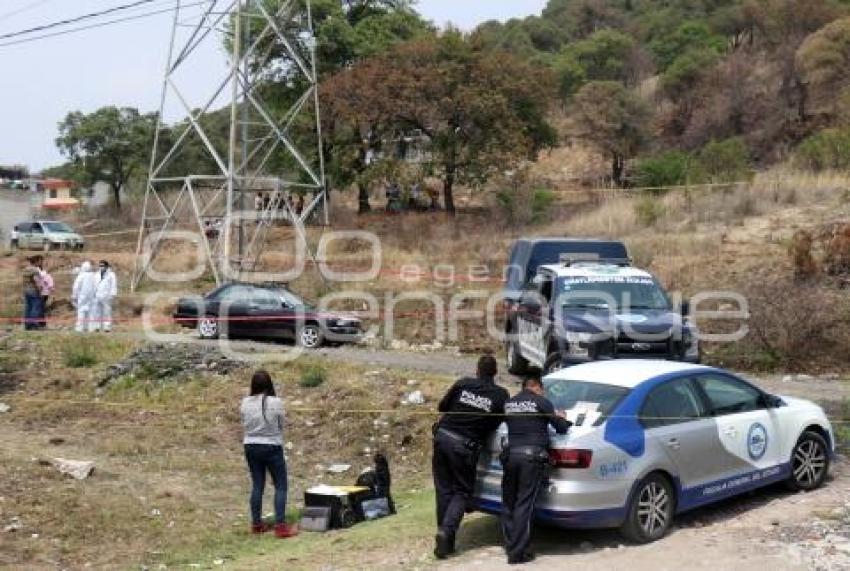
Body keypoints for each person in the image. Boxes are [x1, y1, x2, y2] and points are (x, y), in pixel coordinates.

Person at [432, 353, 509, 559]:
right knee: (462, 492)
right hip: (464, 447)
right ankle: (446, 532)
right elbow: (498, 423)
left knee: (443, 490)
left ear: (477, 370)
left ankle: (445, 541)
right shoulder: (501, 395)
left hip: (442, 438)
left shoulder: (463, 384)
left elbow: (442, 407)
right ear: (495, 373)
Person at [501, 377, 571, 565]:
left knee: (509, 502)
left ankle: (511, 544)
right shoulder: (541, 401)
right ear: (538, 388)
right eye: (542, 390)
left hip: (510, 457)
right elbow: (562, 428)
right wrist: (562, 417)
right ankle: (517, 553)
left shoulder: (509, 403)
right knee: (524, 504)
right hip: (531, 458)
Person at [241, 370, 297, 539]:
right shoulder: (276, 402)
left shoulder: (245, 402)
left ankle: (256, 524)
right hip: (272, 445)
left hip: (251, 445)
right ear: (269, 384)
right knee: (281, 485)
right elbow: (281, 425)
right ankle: (280, 525)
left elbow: (244, 423)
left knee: (258, 484)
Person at [71, 261, 98, 333]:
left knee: (81, 311)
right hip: (91, 297)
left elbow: (76, 287)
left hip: (82, 296)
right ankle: (91, 328)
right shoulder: (93, 275)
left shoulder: (81, 276)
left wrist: (74, 296)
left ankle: (80, 328)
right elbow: (96, 286)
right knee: (91, 312)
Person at [92, 260, 117, 332]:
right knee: (96, 312)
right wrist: (93, 294)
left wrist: (113, 294)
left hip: (107, 296)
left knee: (107, 312)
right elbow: (94, 284)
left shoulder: (111, 274)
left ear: (106, 266)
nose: (101, 267)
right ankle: (97, 327)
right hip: (97, 295)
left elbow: (114, 285)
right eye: (100, 266)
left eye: (102, 266)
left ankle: (107, 327)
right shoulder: (96, 274)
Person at [21, 255, 43, 331]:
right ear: (36, 261)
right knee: (35, 307)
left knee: (28, 308)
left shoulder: (26, 269)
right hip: (33, 291)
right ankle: (33, 324)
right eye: (40, 261)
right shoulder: (34, 270)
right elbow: (37, 281)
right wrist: (40, 289)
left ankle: (27, 325)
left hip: (26, 291)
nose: (41, 263)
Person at [35, 258, 54, 329]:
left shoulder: (38, 275)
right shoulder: (48, 275)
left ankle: (41, 323)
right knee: (42, 308)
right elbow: (51, 286)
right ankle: (42, 323)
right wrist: (51, 290)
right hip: (46, 294)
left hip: (40, 294)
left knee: (39, 308)